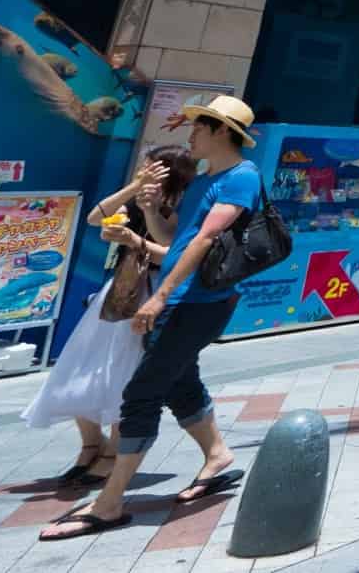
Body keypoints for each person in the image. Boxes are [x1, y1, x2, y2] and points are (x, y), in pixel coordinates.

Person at [42, 96, 263, 542]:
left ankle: (109, 504)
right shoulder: (205, 180)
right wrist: (142, 216)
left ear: (222, 132)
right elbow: (174, 239)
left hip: (201, 302)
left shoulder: (243, 177)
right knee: (180, 381)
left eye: (199, 128)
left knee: (142, 392)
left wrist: (159, 296)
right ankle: (217, 456)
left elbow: (203, 241)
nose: (191, 136)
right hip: (181, 298)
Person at [23, 149, 195, 484]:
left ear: (167, 171)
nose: (143, 169)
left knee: (124, 371)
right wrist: (133, 193)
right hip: (120, 289)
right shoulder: (137, 195)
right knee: (79, 364)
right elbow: (95, 219)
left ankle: (113, 453)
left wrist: (142, 224)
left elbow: (173, 252)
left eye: (149, 165)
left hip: (153, 292)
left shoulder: (185, 205)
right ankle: (91, 444)